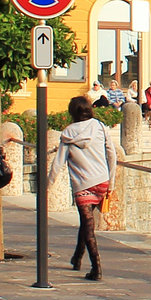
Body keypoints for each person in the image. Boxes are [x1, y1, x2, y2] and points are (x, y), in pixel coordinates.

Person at [58, 95, 115, 280]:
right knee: (86, 222)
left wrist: (48, 185)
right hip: (101, 181)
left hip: (83, 184)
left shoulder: (68, 133)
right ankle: (77, 258)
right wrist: (111, 182)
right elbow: (112, 154)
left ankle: (96, 268)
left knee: (88, 226)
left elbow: (57, 163)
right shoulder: (99, 126)